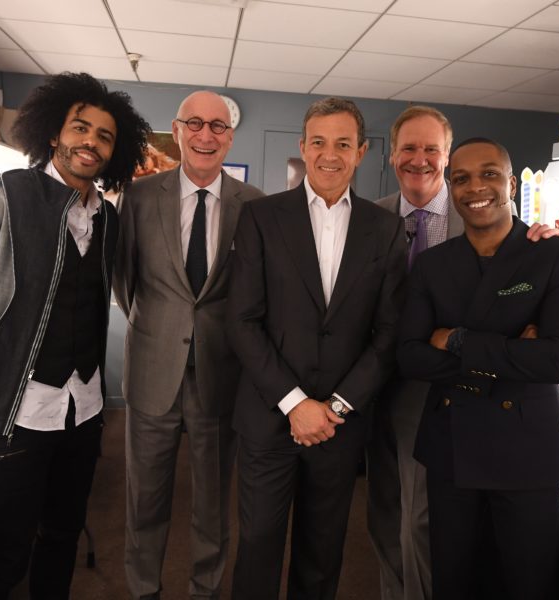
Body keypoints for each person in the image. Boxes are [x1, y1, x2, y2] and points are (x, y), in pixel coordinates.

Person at [0, 72, 151, 599]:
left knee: (61, 538)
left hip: (85, 407)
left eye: (104, 136)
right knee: (4, 554)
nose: (90, 142)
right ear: (54, 133)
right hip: (18, 415)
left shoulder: (109, 219)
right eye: (80, 128)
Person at [367, 106, 554, 600]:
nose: (420, 159)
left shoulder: (481, 218)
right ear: (392, 156)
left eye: (432, 149)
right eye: (409, 147)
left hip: (444, 390)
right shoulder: (369, 217)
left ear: (446, 159)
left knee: (423, 520)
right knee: (383, 510)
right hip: (369, 386)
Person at [226, 97, 406, 599]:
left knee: (323, 553)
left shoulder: (385, 228)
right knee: (258, 547)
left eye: (343, 143)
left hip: (339, 425)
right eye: (320, 142)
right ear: (303, 147)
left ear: (362, 152)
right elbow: (242, 321)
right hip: (269, 417)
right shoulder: (261, 217)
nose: (331, 154)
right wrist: (296, 403)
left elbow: (388, 334)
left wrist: (335, 408)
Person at [397, 138, 559, 599]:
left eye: (489, 174)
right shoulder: (433, 264)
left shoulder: (556, 255)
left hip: (529, 451)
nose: (475, 187)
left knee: (527, 580)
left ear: (510, 181)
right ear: (450, 186)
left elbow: (558, 360)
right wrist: (514, 352)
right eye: (460, 178)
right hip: (452, 445)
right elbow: (409, 355)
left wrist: (457, 339)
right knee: (454, 579)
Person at [113, 90, 264, 600]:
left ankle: (206, 591)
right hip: (153, 372)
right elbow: (123, 282)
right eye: (195, 124)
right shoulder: (138, 196)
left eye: (218, 126)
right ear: (176, 131)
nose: (206, 135)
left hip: (221, 378)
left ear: (230, 137)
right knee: (145, 501)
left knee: (212, 506)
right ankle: (143, 591)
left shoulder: (257, 206)